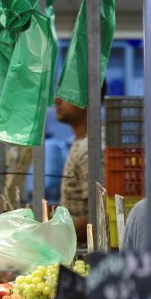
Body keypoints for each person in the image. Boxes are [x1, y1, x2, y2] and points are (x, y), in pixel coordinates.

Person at [55, 96, 91, 240]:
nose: (56, 100)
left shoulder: (90, 148)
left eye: (66, 94)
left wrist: (53, 239)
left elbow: (98, 215)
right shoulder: (80, 142)